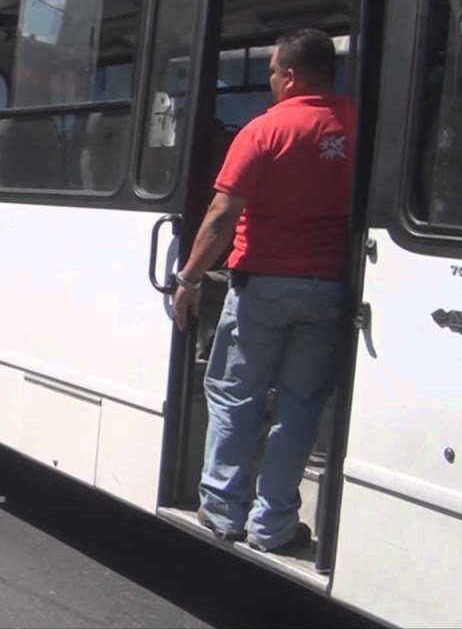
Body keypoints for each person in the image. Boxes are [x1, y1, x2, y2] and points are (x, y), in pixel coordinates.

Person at [172, 28, 354, 554]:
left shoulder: (264, 130)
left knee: (236, 395)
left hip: (263, 290)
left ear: (290, 76)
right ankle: (273, 525)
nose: (271, 80)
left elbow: (221, 216)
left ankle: (223, 508)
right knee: (300, 407)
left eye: (272, 71)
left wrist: (188, 278)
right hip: (328, 290)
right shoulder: (359, 126)